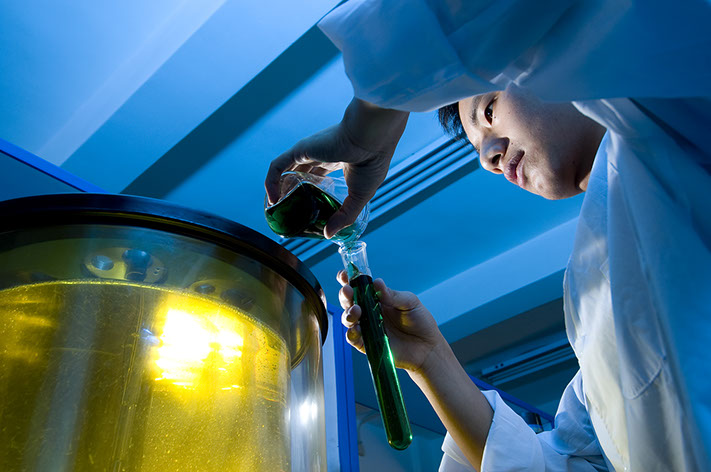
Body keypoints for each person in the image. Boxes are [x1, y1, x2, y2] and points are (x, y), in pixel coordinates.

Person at [264, 1, 711, 470]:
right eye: (477, 147)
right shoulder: (589, 296)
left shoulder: (672, 112)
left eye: (490, 109)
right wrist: (430, 360)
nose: (488, 158)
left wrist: (375, 115)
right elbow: (563, 464)